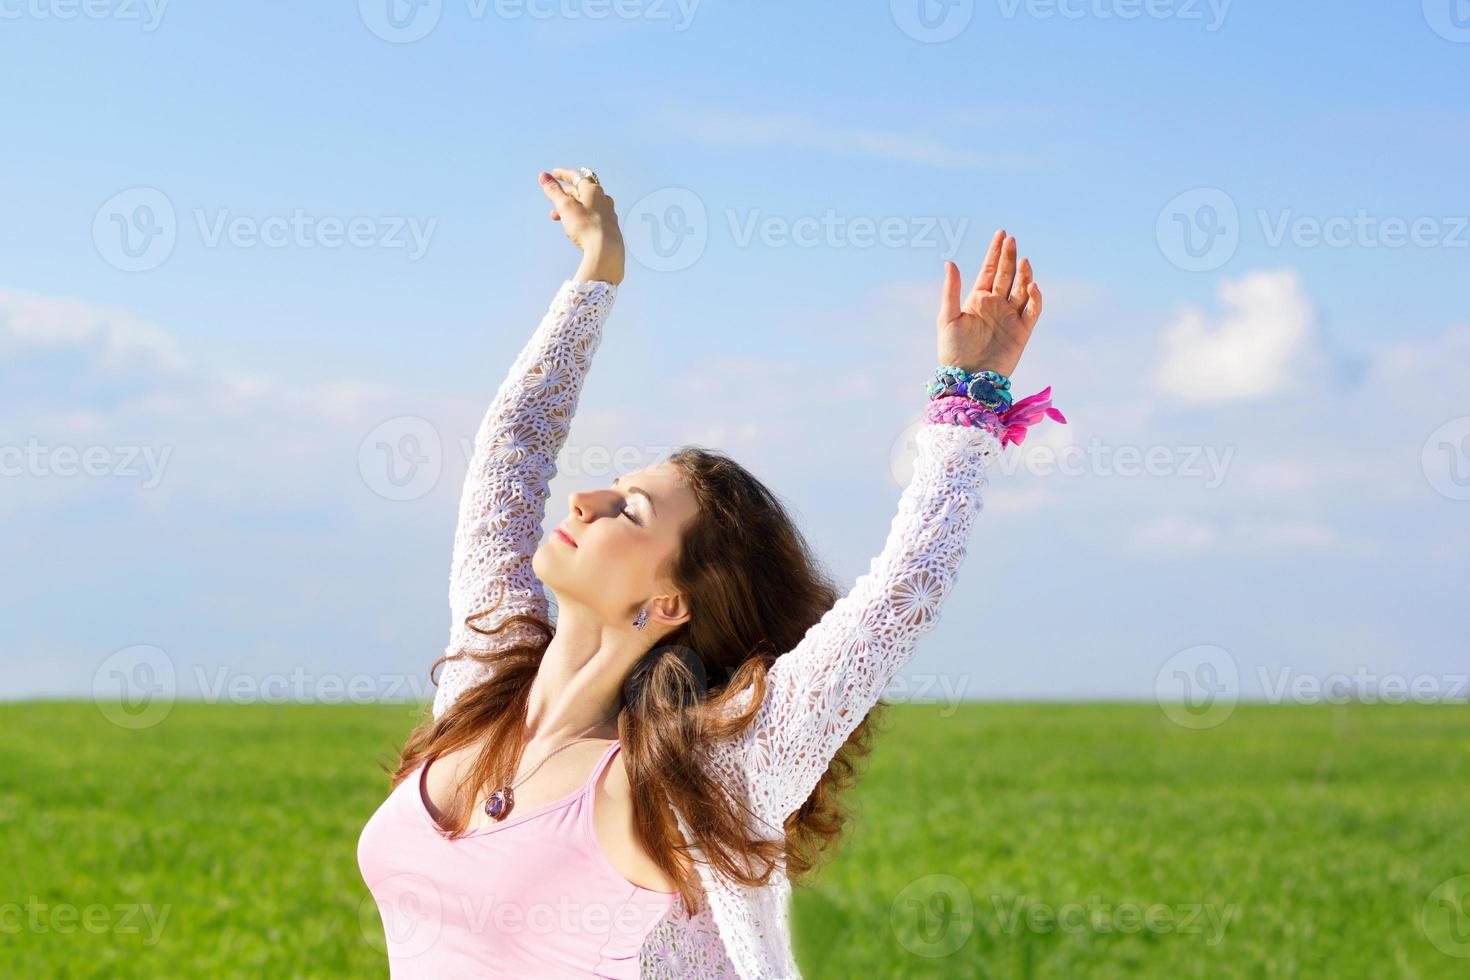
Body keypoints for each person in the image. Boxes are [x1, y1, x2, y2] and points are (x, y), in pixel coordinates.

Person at [357, 166, 1065, 979]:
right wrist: (597, 271)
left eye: (629, 509)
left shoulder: (699, 775)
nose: (583, 500)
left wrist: (969, 397)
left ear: (670, 602)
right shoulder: (481, 684)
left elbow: (900, 596)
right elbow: (510, 453)